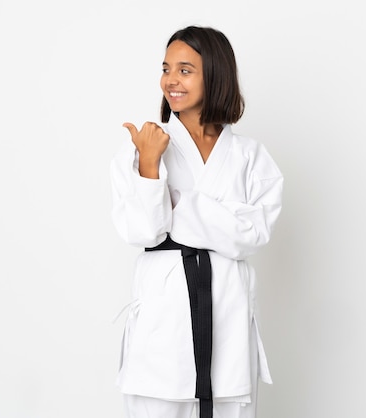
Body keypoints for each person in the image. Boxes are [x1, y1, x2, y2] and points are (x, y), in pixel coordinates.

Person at [110, 25, 284, 418]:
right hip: (161, 328)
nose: (171, 79)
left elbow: (251, 234)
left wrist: (176, 205)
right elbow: (142, 231)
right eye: (166, 68)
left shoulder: (250, 157)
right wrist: (152, 167)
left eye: (185, 70)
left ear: (215, 75)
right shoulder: (143, 149)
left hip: (228, 326)